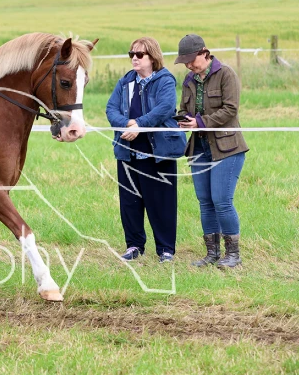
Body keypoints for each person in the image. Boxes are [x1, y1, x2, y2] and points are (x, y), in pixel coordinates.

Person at [105, 37, 187, 263]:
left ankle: (166, 249)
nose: (134, 58)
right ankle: (134, 246)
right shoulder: (125, 81)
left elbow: (165, 108)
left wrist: (139, 125)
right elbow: (111, 108)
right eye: (131, 54)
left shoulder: (165, 80)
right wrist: (126, 125)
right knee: (129, 202)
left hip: (157, 153)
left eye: (139, 54)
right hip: (127, 151)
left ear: (152, 57)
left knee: (162, 203)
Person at [175, 34, 249, 269]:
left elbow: (230, 109)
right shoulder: (188, 80)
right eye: (185, 61)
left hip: (227, 148)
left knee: (221, 200)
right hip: (198, 148)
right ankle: (212, 254)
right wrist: (183, 119)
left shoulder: (226, 74)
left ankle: (233, 255)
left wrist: (200, 122)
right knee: (205, 201)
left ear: (204, 53)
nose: (188, 65)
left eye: (191, 60)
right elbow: (184, 108)